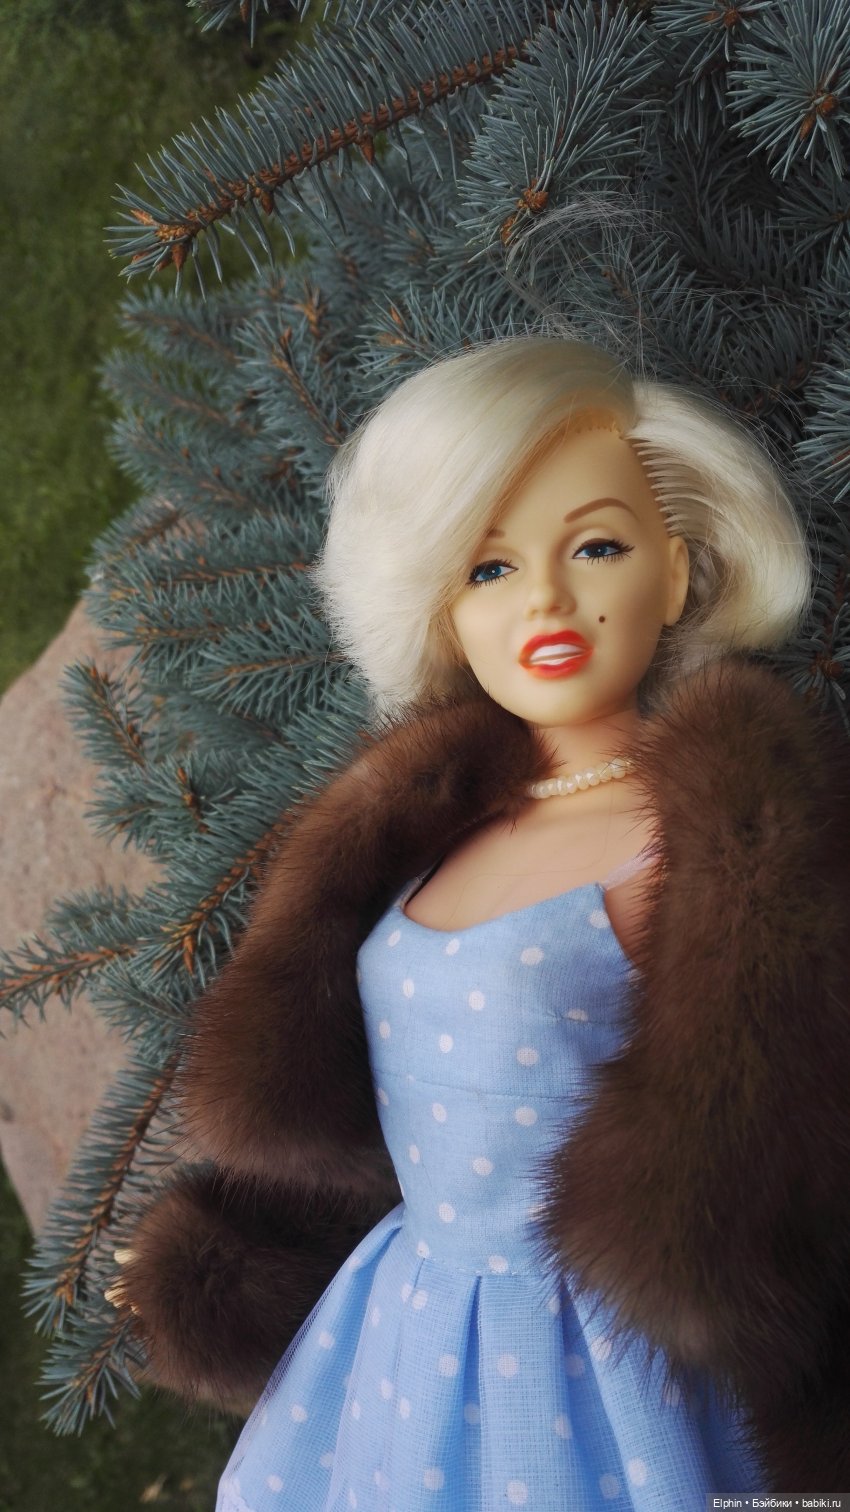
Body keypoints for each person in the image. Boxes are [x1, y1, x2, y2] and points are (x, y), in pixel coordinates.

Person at [111, 337, 850, 1506]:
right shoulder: (423, 830)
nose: (546, 598)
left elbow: (780, 1142)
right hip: (409, 1319)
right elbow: (358, 1123)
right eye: (489, 567)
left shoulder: (710, 846)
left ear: (678, 572)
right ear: (441, 606)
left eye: (596, 547)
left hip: (609, 1357)